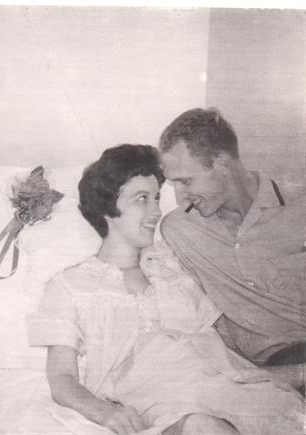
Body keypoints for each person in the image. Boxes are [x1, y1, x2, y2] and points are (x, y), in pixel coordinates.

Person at [28, 144, 303, 435]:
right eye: (142, 199)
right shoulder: (71, 286)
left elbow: (224, 346)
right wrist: (104, 412)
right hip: (168, 404)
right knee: (202, 426)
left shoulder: (171, 269)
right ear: (106, 207)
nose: (156, 212)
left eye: (157, 198)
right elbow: (62, 378)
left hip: (228, 389)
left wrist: (294, 371)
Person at [158, 108, 306, 390]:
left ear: (223, 164)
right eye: (173, 183)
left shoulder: (299, 208)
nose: (179, 198)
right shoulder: (180, 229)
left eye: (186, 181)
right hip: (265, 371)